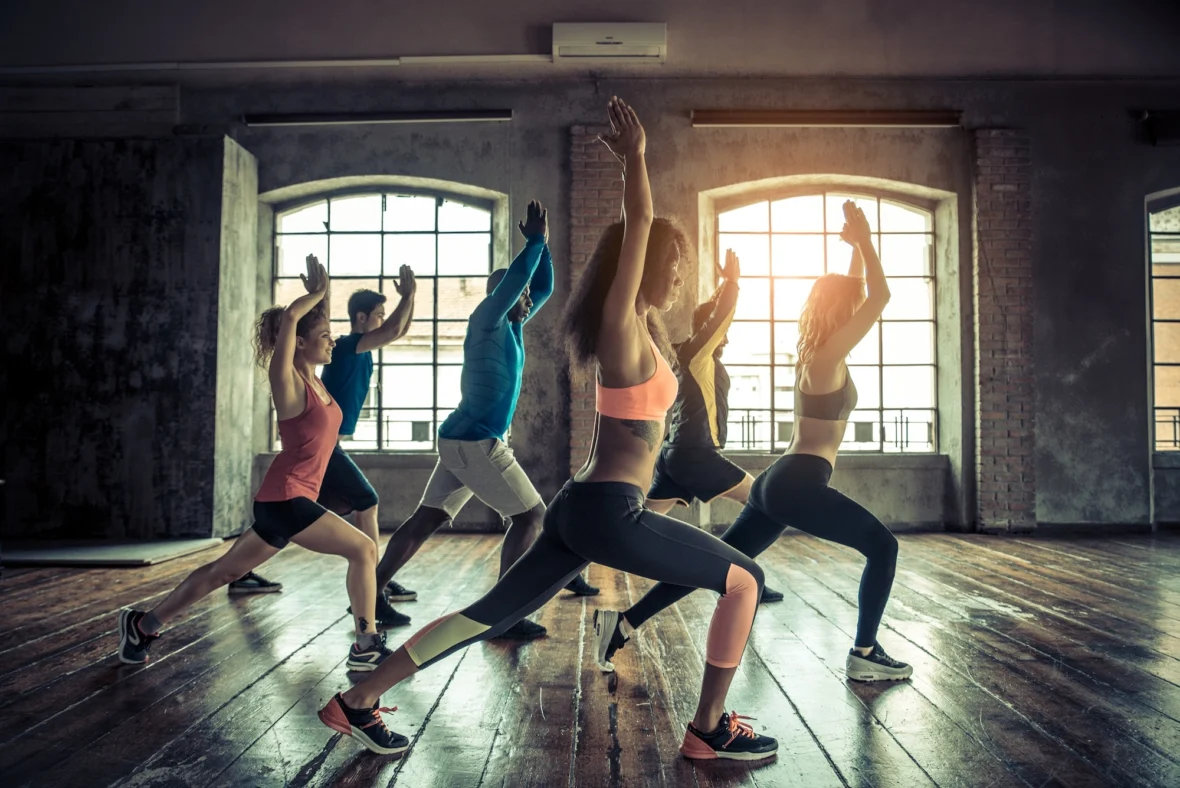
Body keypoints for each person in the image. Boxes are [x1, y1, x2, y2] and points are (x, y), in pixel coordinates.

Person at [316, 98, 778, 762]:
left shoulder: (646, 329)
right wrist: (637, 160)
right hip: (606, 513)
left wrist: (727, 303)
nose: (678, 279)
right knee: (745, 580)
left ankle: (355, 702)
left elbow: (682, 358)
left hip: (583, 507)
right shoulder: (622, 327)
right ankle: (708, 729)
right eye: (672, 268)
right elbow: (639, 222)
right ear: (644, 268)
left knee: (492, 614)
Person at [593, 200, 912, 683]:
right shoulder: (826, 358)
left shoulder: (817, 354)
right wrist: (866, 240)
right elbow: (879, 297)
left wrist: (851, 253)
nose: (857, 308)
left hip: (777, 485)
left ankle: (624, 622)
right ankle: (865, 652)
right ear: (843, 313)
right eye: (851, 304)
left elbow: (856, 294)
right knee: (883, 547)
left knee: (715, 564)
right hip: (798, 482)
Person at [117, 257, 392, 672]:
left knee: (222, 572)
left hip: (282, 500)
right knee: (364, 548)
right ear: (298, 342)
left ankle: (144, 624)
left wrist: (325, 292)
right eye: (324, 337)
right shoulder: (288, 382)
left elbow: (310, 326)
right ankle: (366, 642)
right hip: (287, 498)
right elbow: (293, 326)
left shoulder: (317, 378)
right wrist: (311, 299)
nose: (332, 342)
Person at [373, 199, 596, 643]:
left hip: (461, 440)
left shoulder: (513, 323)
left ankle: (370, 590)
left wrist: (543, 246)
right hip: (477, 443)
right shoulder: (487, 319)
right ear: (501, 296)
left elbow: (543, 286)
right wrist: (534, 241)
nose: (526, 299)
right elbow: (516, 283)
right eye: (518, 294)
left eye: (525, 295)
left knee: (426, 519)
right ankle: (503, 614)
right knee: (531, 517)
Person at [231, 266, 418, 631]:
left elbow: (399, 330)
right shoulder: (347, 346)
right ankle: (374, 588)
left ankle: (245, 568)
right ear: (361, 318)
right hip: (323, 448)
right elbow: (394, 330)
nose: (384, 320)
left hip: (326, 447)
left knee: (285, 521)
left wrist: (405, 303)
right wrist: (408, 297)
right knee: (366, 501)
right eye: (378, 314)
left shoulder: (350, 349)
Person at [643, 249, 783, 604]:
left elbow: (712, 317)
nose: (727, 338)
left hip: (674, 455)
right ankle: (746, 578)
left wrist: (723, 287)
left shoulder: (690, 357)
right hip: (696, 456)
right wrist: (732, 284)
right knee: (765, 504)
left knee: (632, 521)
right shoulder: (696, 354)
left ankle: (578, 564)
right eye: (722, 333)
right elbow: (717, 318)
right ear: (710, 333)